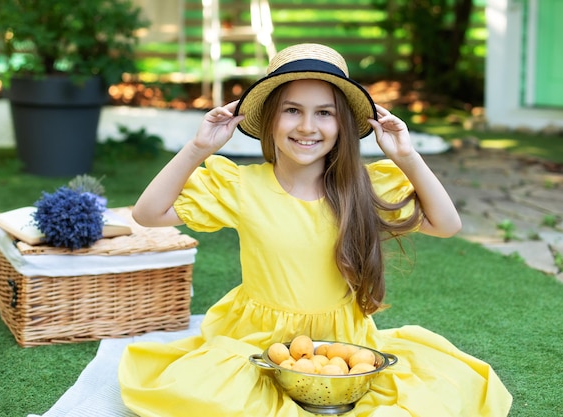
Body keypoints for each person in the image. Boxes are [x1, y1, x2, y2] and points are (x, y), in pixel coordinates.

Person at [119, 43, 512, 416]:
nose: (307, 126)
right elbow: (149, 214)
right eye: (292, 110)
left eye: (325, 113)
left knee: (431, 397)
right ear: (270, 118)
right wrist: (198, 148)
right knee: (213, 399)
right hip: (258, 340)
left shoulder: (363, 186)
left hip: (345, 342)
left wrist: (407, 157)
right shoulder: (242, 186)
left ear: (342, 124)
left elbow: (446, 225)